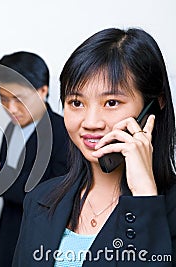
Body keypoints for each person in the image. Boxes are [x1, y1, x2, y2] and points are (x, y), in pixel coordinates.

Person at [13, 28, 176, 266]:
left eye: (111, 102)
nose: (90, 123)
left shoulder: (167, 207)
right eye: (76, 102)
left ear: (154, 104)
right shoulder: (40, 199)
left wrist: (144, 197)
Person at [0, 51, 69, 266]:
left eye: (18, 99)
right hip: (10, 247)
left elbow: (56, 198)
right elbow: (10, 206)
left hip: (44, 250)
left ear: (43, 91)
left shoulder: (64, 133)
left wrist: (4, 178)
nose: (10, 109)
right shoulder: (10, 131)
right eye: (3, 99)